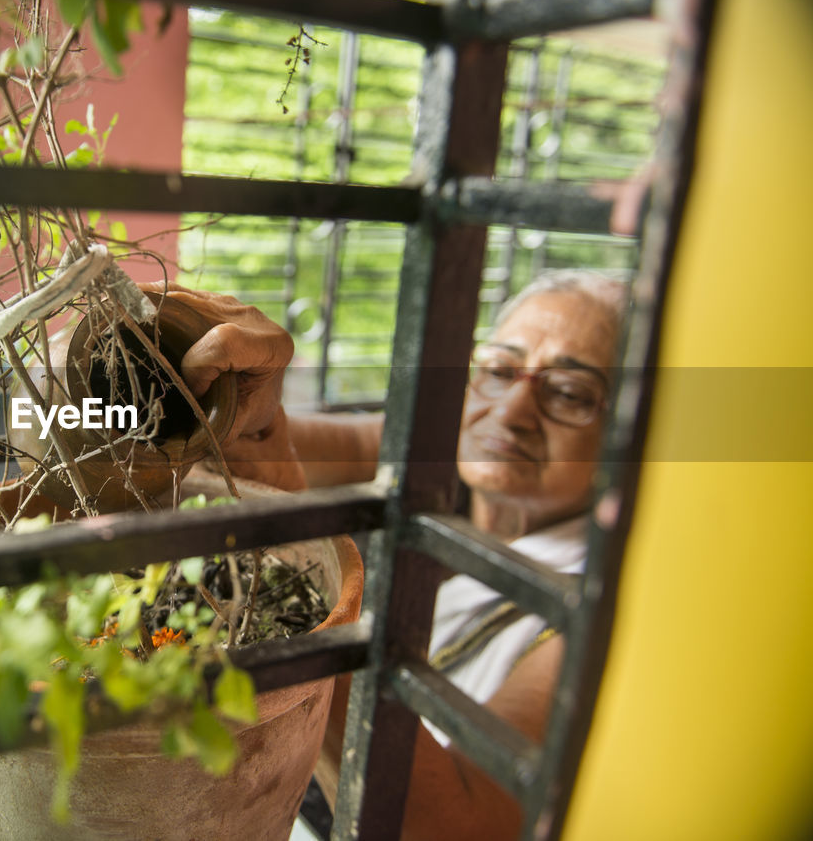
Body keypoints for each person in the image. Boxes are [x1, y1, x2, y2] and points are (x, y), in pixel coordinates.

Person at [154, 270, 626, 840]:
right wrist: (216, 395)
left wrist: (306, 573)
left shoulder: (602, 604)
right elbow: (257, 443)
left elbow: (452, 830)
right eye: (500, 370)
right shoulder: (438, 453)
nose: (513, 410)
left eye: (569, 394)